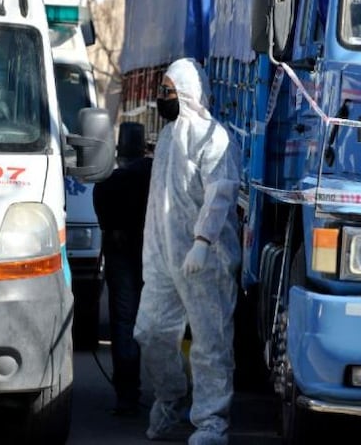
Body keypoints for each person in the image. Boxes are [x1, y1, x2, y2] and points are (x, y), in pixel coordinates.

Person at [133, 57, 241, 445]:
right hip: (164, 258)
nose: (162, 97)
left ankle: (212, 422)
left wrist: (202, 243)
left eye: (169, 90)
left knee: (211, 342)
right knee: (150, 331)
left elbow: (221, 193)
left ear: (188, 93)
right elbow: (159, 202)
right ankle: (171, 396)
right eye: (162, 90)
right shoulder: (165, 138)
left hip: (205, 259)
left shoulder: (214, 137)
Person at [92, 121, 153, 417]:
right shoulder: (153, 174)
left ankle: (127, 393)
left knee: (124, 323)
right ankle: (169, 392)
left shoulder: (108, 182)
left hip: (121, 259)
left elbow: (103, 216)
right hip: (153, 257)